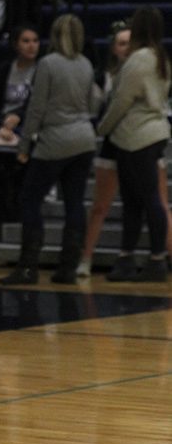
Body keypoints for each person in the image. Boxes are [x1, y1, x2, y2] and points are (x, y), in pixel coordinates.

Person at [0, 14, 96, 285]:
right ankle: (68, 267)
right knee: (75, 203)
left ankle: (28, 267)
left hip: (55, 139)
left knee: (29, 199)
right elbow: (94, 102)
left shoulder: (48, 64)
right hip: (84, 139)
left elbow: (36, 107)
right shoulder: (86, 64)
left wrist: (24, 143)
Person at [79, 22, 172, 277]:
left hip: (137, 138)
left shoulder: (146, 64)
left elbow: (127, 104)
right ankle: (86, 259)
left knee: (157, 201)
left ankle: (158, 258)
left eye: (130, 42)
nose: (127, 47)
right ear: (113, 48)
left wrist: (103, 128)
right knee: (102, 205)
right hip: (115, 142)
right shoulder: (104, 76)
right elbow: (96, 107)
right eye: (121, 43)